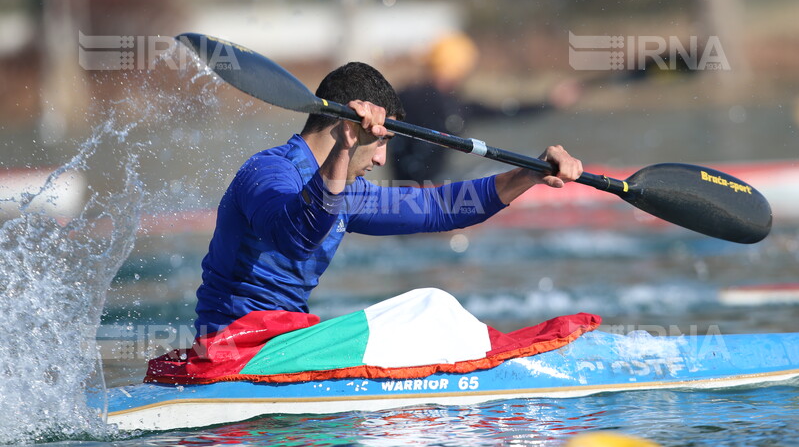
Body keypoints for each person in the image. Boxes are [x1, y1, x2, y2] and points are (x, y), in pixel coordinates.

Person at [193, 60, 583, 336]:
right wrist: (345, 149)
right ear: (349, 129)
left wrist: (528, 174)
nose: (381, 158)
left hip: (283, 342)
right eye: (378, 143)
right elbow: (297, 237)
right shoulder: (267, 173)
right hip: (233, 347)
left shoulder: (350, 191)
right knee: (430, 307)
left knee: (433, 304)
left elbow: (440, 208)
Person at [390, 33, 581, 183]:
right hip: (432, 188)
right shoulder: (454, 106)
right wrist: (549, 103)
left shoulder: (405, 95)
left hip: (405, 186)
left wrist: (548, 102)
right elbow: (507, 112)